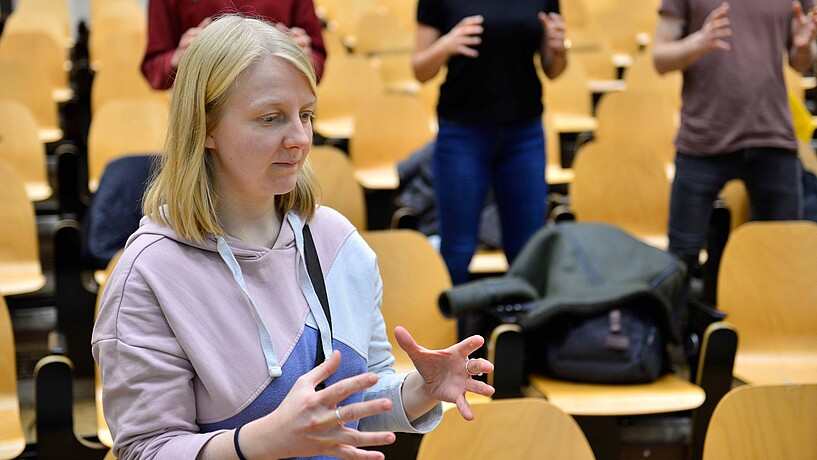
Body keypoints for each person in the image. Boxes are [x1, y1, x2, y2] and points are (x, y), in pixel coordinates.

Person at [93, 15, 495, 460]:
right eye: (271, 118)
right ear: (205, 126)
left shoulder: (337, 241)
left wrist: (418, 390)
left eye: (306, 115)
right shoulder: (149, 272)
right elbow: (145, 449)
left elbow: (352, 409)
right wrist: (259, 442)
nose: (301, 139)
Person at [653, 0, 817, 324]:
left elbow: (801, 62)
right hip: (702, 139)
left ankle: (777, 345)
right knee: (682, 257)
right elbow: (660, 58)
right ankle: (662, 350)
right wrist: (698, 42)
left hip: (772, 136)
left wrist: (802, 49)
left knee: (784, 255)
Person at [411, 0, 568, 287]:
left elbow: (553, 68)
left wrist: (559, 50)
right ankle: (452, 331)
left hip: (524, 134)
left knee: (528, 253)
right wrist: (446, 45)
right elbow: (420, 70)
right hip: (462, 134)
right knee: (457, 252)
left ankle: (521, 330)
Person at [141, 0, 326, 89]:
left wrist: (301, 53)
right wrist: (178, 58)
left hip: (277, 106)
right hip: (206, 118)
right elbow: (154, 69)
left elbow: (317, 62)